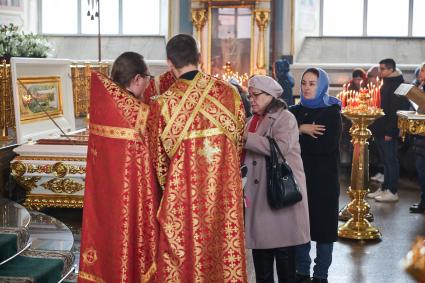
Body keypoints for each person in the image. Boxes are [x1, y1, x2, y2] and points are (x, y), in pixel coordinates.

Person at [148, 34, 247, 282]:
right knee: (223, 255)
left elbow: (159, 165)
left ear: (170, 63)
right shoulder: (230, 94)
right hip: (224, 194)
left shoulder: (163, 105)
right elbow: (239, 144)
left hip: (183, 198)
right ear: (199, 58)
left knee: (184, 258)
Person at [78, 52, 160, 282]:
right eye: (147, 77)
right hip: (133, 200)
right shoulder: (141, 114)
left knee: (107, 249)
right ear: (136, 79)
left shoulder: (103, 106)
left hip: (103, 199)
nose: (148, 83)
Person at [243, 75, 310, 283]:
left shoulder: (285, 118)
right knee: (261, 261)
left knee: (284, 262)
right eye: (249, 96)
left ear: (270, 96)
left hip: (278, 197)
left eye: (255, 96)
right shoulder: (250, 120)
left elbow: (279, 148)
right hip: (258, 198)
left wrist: (245, 138)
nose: (251, 100)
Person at [290, 68, 342, 283]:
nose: (307, 87)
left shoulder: (331, 112)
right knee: (300, 228)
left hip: (323, 181)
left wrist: (296, 137)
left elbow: (324, 146)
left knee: (323, 231)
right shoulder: (293, 112)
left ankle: (321, 274)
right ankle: (301, 271)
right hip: (298, 180)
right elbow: (282, 142)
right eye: (304, 83)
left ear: (321, 86)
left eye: (312, 83)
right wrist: (301, 129)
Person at [367, 58, 408, 202]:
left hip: (387, 130)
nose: (380, 71)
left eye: (383, 69)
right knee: (384, 160)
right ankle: (385, 188)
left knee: (391, 160)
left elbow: (394, 111)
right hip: (380, 128)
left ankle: (392, 190)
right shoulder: (387, 82)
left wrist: (390, 132)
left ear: (391, 69)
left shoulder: (398, 84)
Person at [410, 62, 425, 213]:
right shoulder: (420, 86)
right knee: (421, 171)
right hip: (420, 138)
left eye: (422, 71)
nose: (420, 73)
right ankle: (423, 201)